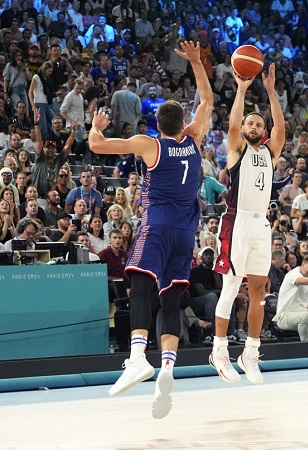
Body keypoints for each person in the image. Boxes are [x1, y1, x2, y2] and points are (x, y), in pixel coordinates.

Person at [87, 40, 213, 419]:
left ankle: (138, 355)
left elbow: (97, 145)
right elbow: (206, 100)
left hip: (157, 226)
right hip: (186, 234)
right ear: (182, 123)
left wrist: (95, 127)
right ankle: (169, 369)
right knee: (172, 300)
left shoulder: (149, 145)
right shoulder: (194, 140)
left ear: (158, 124)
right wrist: (196, 63)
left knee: (140, 285)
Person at [210, 62, 285, 385]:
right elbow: (232, 125)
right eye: (249, 123)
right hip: (236, 221)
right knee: (230, 287)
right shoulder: (236, 150)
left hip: (260, 225)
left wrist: (270, 92)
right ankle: (220, 350)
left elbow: (281, 129)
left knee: (259, 291)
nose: (253, 125)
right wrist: (241, 89)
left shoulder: (270, 151)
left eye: (258, 123)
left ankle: (251, 351)